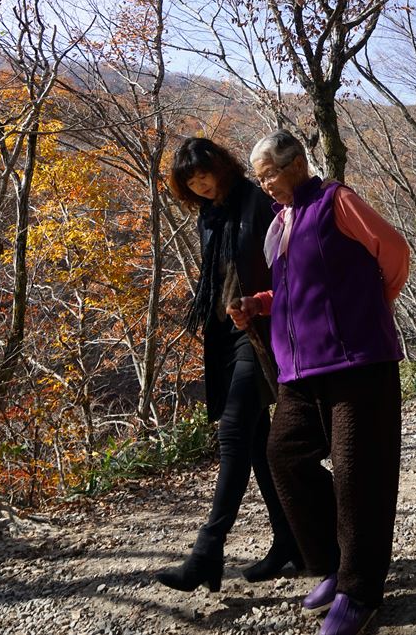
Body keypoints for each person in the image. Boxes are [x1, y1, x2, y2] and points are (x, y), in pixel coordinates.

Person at [230, 130, 409, 635]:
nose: (264, 185)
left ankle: (359, 591)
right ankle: (334, 564)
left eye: (269, 174)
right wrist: (259, 305)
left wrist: (371, 307)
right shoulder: (283, 220)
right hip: (300, 371)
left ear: (296, 164)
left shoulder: (336, 201)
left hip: (357, 363)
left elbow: (393, 251)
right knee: (285, 457)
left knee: (359, 474)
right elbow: (297, 289)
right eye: (259, 177)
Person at [156, 136, 301, 593]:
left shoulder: (257, 201)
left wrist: (261, 305)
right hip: (225, 333)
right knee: (256, 444)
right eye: (190, 178)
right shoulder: (209, 215)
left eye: (205, 171)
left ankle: (207, 550)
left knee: (234, 429)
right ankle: (290, 543)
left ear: (222, 165)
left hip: (259, 331)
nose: (200, 182)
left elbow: (285, 264)